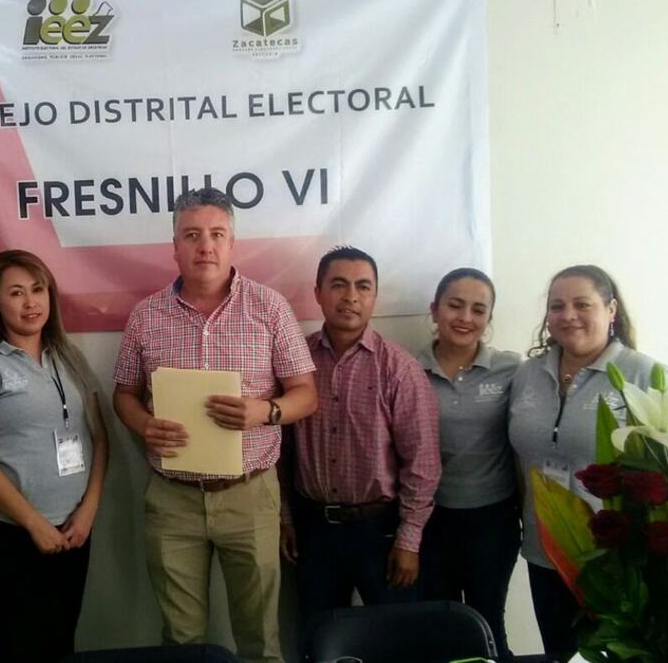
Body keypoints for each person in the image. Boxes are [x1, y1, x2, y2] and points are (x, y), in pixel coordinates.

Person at [113, 188, 317, 663]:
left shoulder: (269, 308)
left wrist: (265, 411)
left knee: (260, 642)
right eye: (192, 235)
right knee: (182, 644)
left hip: (249, 495)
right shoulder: (146, 315)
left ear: (232, 243)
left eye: (217, 234)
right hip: (172, 500)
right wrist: (145, 425)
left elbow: (306, 394)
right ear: (175, 246)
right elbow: (123, 393)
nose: (205, 246)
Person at [0, 250, 109, 663]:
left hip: (73, 528)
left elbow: (100, 437)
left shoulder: (69, 359)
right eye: (16, 293)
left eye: (38, 290)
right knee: (21, 646)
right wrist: (34, 523)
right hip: (8, 533)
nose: (30, 302)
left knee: (61, 642)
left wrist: (89, 509)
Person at [509, 264, 668, 662]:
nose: (568, 315)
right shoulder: (528, 373)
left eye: (583, 304)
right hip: (544, 550)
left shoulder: (645, 374)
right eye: (557, 306)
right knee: (560, 653)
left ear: (611, 309)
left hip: (617, 559)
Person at [282, 246, 440, 622]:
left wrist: (409, 539)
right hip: (313, 530)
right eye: (338, 285)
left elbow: (423, 463)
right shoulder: (295, 362)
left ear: (374, 296)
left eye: (362, 286)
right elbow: (281, 450)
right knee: (318, 638)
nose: (350, 296)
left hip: (381, 531)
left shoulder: (399, 369)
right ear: (318, 293)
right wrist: (285, 517)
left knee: (394, 643)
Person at [415, 268, 521, 661]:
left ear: (489, 319)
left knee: (488, 622)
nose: (465, 317)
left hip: (492, 520)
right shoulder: (409, 369)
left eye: (479, 310)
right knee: (441, 629)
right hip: (430, 520)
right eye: (455, 305)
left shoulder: (512, 370)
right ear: (435, 309)